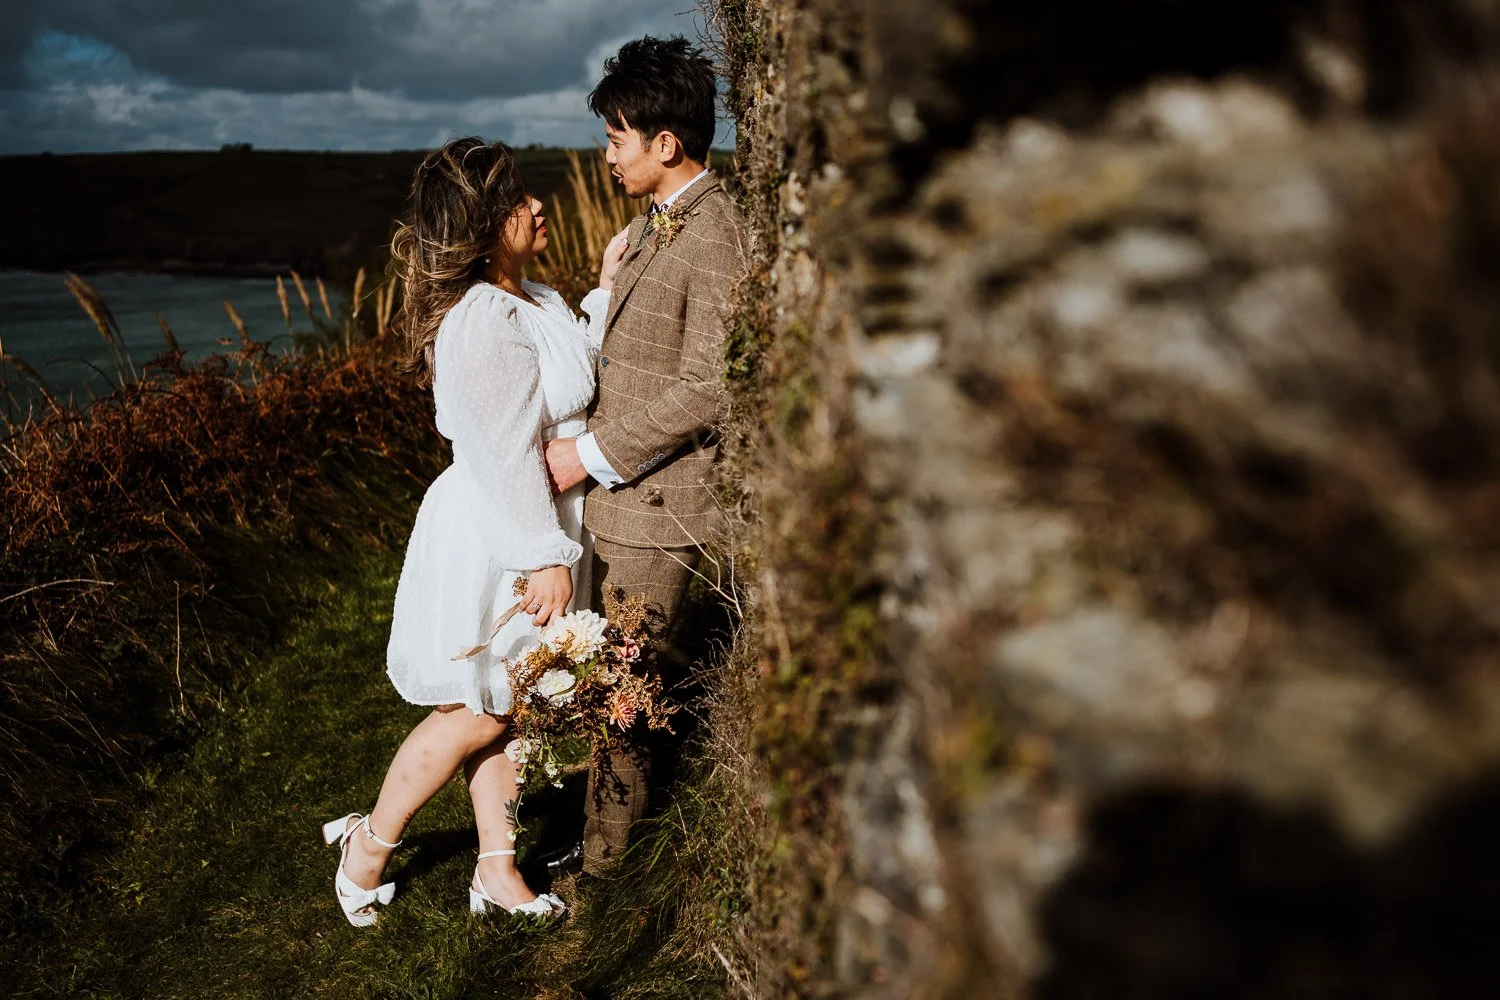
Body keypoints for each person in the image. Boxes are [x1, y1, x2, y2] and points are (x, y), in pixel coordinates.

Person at [321, 136, 629, 926]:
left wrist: (605, 290)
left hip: (539, 519)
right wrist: (544, 558)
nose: (538, 207)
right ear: (482, 226)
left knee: (511, 702)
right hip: (503, 528)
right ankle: (370, 845)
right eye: (518, 201)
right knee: (477, 709)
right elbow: (499, 457)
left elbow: (574, 378)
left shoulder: (535, 296)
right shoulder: (482, 321)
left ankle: (495, 870)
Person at [543, 36, 750, 874]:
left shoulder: (718, 235)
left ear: (666, 144)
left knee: (624, 698)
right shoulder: (647, 227)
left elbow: (709, 386)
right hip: (623, 505)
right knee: (607, 687)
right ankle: (595, 835)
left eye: (616, 140)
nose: (606, 156)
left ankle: (603, 870)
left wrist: (589, 454)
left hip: (662, 513)